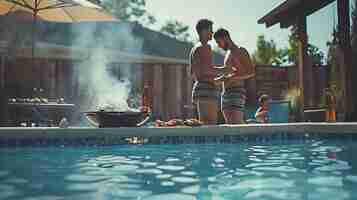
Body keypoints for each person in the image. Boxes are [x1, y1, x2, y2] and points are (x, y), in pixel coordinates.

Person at [213, 28, 255, 124]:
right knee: (230, 126)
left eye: (219, 42)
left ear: (226, 38)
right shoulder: (228, 53)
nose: (218, 46)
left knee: (237, 125)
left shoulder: (240, 50)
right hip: (225, 93)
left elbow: (251, 72)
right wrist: (217, 79)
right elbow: (228, 72)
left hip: (236, 91)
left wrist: (231, 78)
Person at [189, 19, 221, 125]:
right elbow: (208, 70)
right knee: (211, 124)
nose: (212, 33)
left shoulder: (194, 48)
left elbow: (192, 72)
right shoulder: (205, 47)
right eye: (210, 30)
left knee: (204, 123)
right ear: (203, 31)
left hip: (199, 88)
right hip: (207, 88)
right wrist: (225, 70)